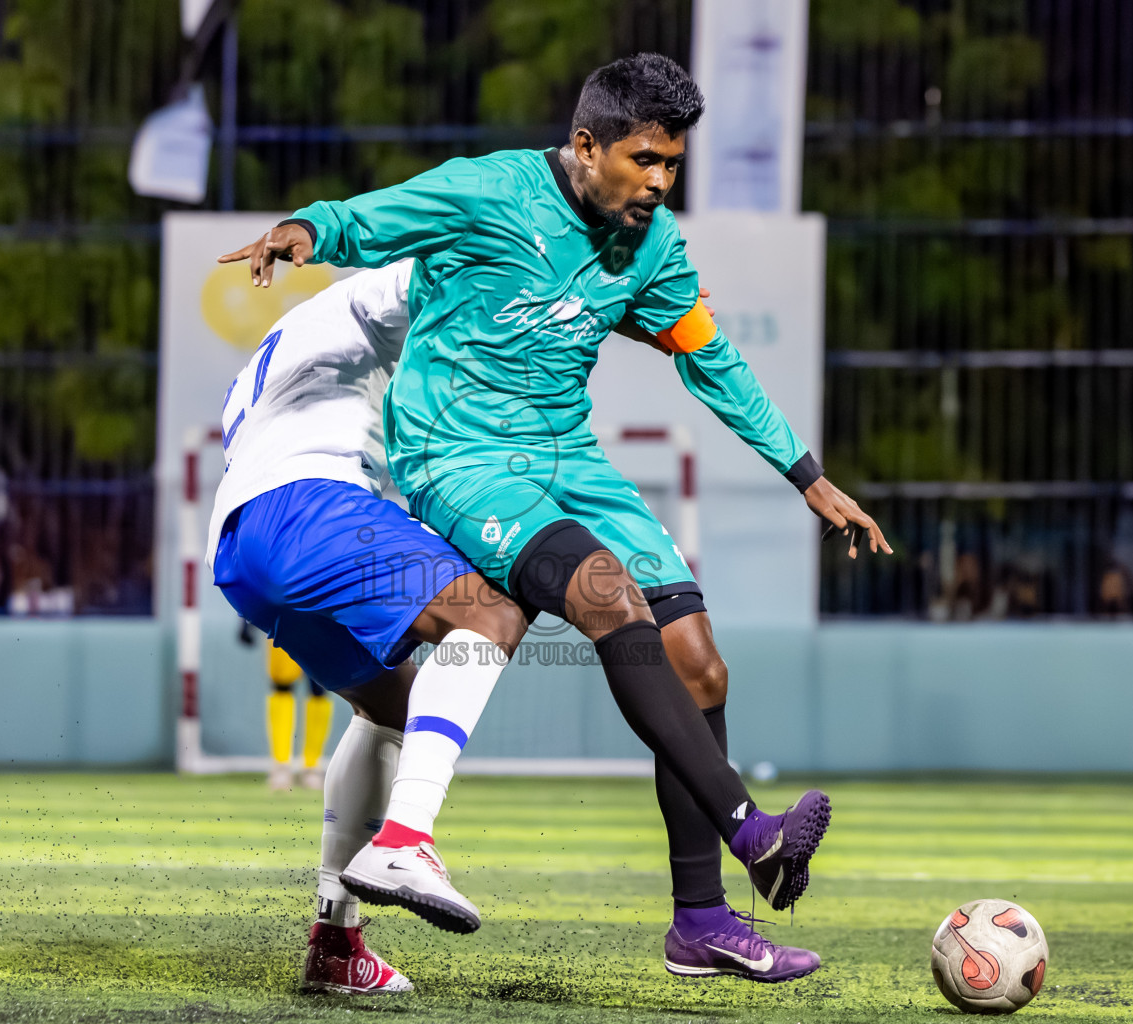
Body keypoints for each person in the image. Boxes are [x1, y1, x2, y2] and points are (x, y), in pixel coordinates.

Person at [220, 52, 890, 983]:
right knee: (606, 600)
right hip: (459, 457)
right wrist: (302, 230)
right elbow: (370, 219)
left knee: (700, 662)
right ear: (586, 145)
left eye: (672, 166)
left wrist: (807, 476)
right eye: (645, 160)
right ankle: (751, 828)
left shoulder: (651, 246)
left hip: (569, 459)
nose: (659, 184)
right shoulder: (488, 192)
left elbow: (711, 359)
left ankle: (700, 922)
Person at [206, 260, 528, 994]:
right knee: (489, 612)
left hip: (241, 547)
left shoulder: (290, 349)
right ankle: (407, 840)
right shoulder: (373, 293)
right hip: (308, 509)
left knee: (392, 705)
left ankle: (334, 939)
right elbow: (446, 277)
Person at [242, 630, 333, 791]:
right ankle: (281, 764)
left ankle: (312, 765)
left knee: (319, 686)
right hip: (283, 612)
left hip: (320, 616)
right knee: (281, 684)